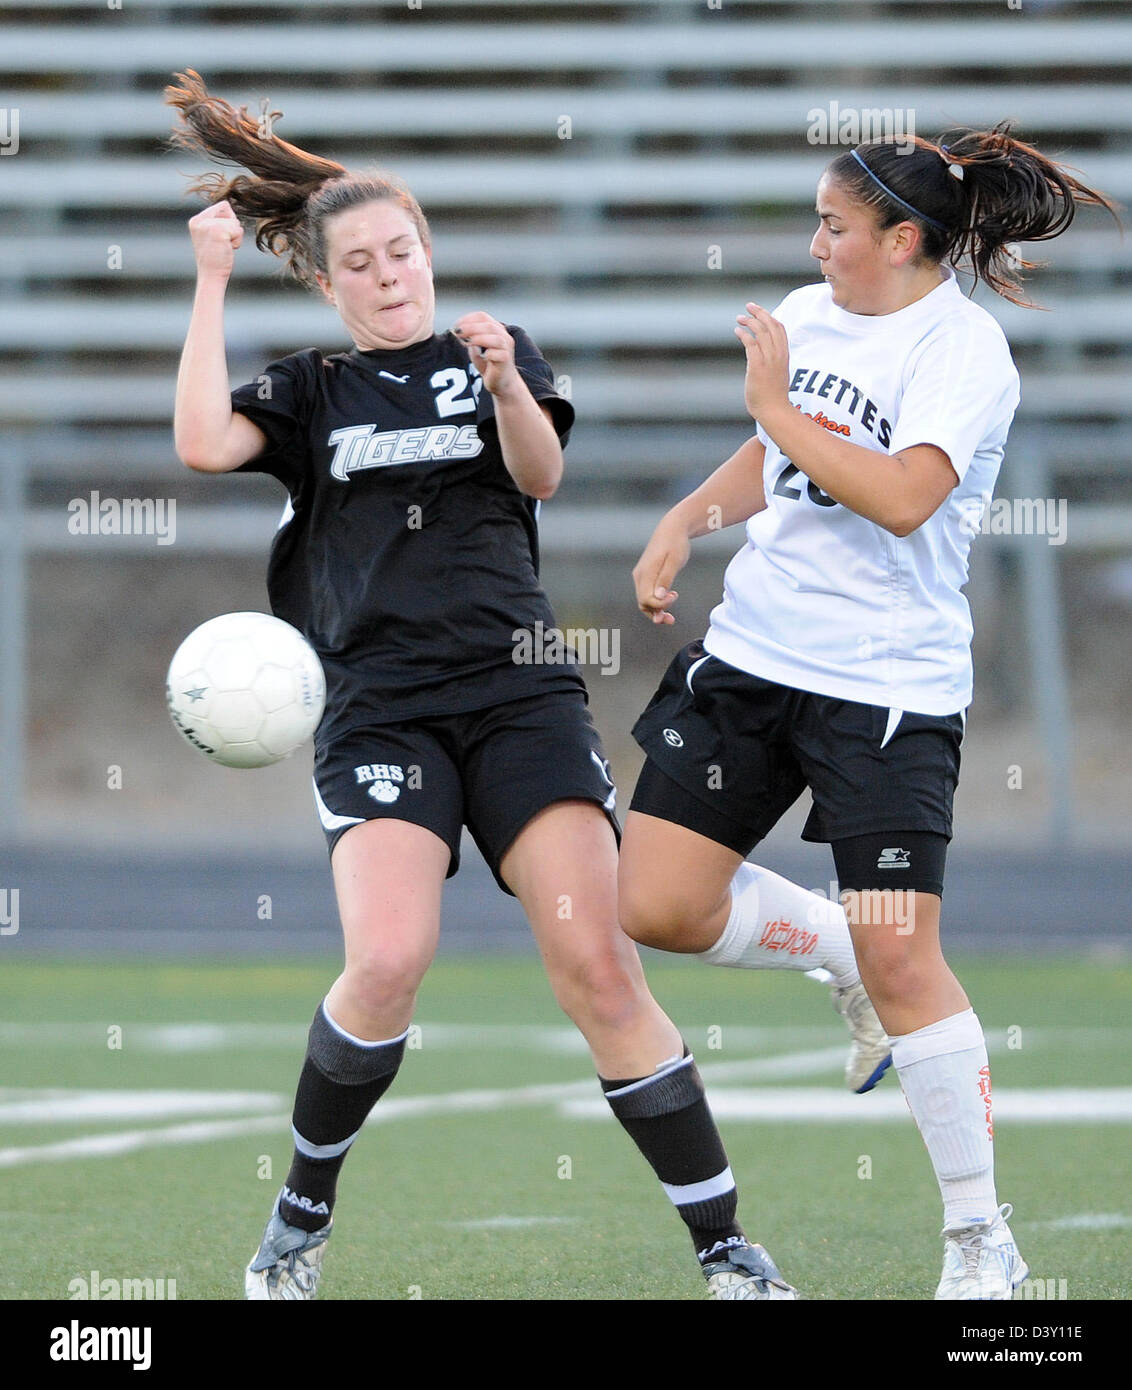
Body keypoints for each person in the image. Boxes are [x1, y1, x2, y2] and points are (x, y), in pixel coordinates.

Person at [166, 69, 797, 1301]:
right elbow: (198, 443)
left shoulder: (490, 356)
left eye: (405, 251)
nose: (392, 274)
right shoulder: (310, 390)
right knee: (390, 958)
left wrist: (506, 381)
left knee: (602, 968)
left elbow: (543, 474)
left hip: (518, 699)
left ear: (429, 253)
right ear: (328, 280)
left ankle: (728, 1251)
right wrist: (207, 280)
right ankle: (294, 1231)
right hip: (378, 707)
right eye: (363, 264)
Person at [620, 126, 1118, 1300]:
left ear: (902, 240)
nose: (817, 245)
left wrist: (778, 412)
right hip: (750, 659)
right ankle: (838, 949)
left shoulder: (966, 352)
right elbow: (771, 453)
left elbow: (901, 497)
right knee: (656, 904)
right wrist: (687, 518)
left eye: (836, 227)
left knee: (908, 958)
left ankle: (978, 1238)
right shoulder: (812, 307)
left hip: (881, 694)